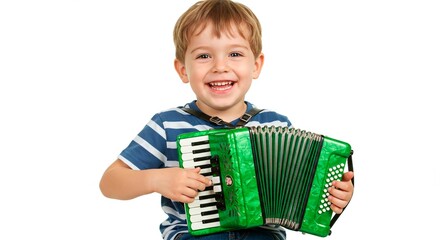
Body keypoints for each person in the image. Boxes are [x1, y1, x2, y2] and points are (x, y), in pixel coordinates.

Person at [99, 0, 354, 239]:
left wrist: (333, 196)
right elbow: (110, 182)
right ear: (182, 70)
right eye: (203, 56)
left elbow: (301, 194)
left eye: (234, 54)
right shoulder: (167, 124)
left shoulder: (275, 124)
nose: (220, 66)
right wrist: (156, 180)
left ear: (256, 65)